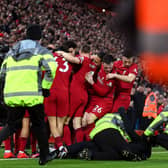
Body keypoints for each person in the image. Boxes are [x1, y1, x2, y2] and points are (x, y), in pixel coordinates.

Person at [0, 24, 57, 165]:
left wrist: (8, 88)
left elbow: (2, 71)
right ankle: (44, 156)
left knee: (11, 125)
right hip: (32, 94)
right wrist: (45, 87)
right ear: (40, 37)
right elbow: (52, 68)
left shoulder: (13, 50)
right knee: (38, 125)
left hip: (12, 94)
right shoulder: (40, 50)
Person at [59, 107, 151, 161]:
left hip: (96, 135)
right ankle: (127, 152)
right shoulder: (122, 116)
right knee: (123, 149)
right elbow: (130, 131)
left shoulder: (109, 116)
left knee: (110, 153)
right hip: (110, 130)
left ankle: (77, 153)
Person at [57, 45, 102, 143]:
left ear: (81, 51)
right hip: (84, 95)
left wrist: (62, 53)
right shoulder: (94, 65)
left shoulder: (83, 59)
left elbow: (74, 60)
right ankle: (80, 147)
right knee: (76, 123)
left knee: (66, 121)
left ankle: (68, 147)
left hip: (75, 93)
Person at [44, 40, 77, 153]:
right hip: (64, 93)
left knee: (52, 123)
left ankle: (58, 146)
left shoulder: (49, 57)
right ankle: (59, 147)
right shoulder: (71, 61)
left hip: (50, 91)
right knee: (60, 123)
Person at [82, 54, 116, 140]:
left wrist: (91, 82)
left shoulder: (111, 76)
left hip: (105, 101)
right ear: (102, 64)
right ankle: (85, 144)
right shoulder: (99, 68)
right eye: (106, 68)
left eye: (110, 67)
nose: (108, 70)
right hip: (95, 99)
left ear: (113, 64)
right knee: (83, 121)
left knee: (90, 119)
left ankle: (94, 142)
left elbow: (103, 92)